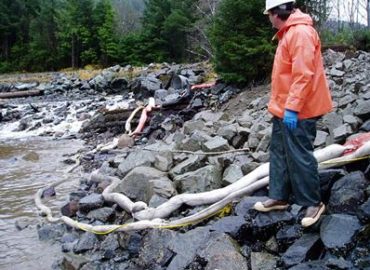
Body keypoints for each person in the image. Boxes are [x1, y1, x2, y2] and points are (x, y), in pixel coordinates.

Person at [253, 0, 333, 227]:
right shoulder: (289, 33)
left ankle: (313, 203)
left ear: (277, 13)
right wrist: (282, 108)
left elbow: (303, 75)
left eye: (269, 14)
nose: (268, 18)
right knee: (279, 151)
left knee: (299, 154)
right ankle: (279, 196)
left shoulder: (300, 34)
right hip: (284, 108)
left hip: (299, 110)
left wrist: (292, 108)